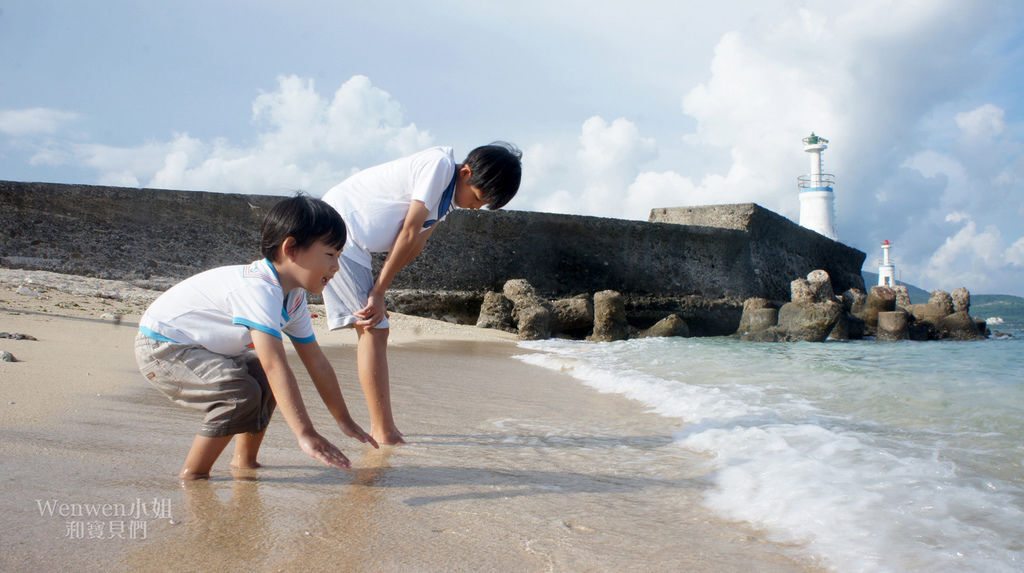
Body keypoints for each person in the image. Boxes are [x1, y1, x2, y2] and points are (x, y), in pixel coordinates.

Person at [134, 194, 377, 480]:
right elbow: (277, 364)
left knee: (261, 375)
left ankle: (245, 463)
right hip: (163, 347)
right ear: (291, 249)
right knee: (240, 392)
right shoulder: (259, 289)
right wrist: (306, 433)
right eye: (330, 255)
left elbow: (317, 363)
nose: (336, 267)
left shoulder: (294, 298)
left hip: (202, 347)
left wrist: (344, 420)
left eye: (339, 256)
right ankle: (194, 474)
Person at [321, 142, 522, 445]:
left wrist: (380, 290)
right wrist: (377, 292)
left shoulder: (447, 201)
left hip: (353, 241)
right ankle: (383, 431)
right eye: (477, 198)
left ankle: (383, 427)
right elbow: (409, 230)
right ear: (466, 172)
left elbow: (417, 245)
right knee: (374, 328)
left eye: (483, 206)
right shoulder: (439, 166)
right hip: (339, 229)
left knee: (374, 327)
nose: (474, 208)